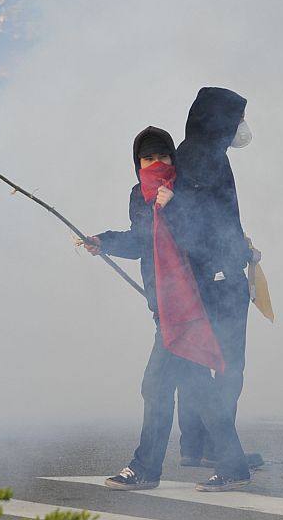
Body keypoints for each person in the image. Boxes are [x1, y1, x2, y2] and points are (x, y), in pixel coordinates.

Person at [84, 126, 250, 492]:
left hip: (190, 304)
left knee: (156, 385)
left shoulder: (188, 188)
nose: (156, 163)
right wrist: (103, 242)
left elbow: (204, 237)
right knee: (197, 386)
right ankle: (234, 463)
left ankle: (145, 468)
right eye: (148, 158)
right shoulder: (138, 195)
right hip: (165, 304)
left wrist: (172, 207)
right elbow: (143, 239)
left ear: (174, 159)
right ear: (137, 164)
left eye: (163, 157)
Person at [172, 87, 262, 469]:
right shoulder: (208, 157)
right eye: (238, 118)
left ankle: (194, 445)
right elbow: (206, 225)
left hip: (198, 277)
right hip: (219, 280)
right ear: (220, 120)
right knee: (228, 365)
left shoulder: (189, 152)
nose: (242, 126)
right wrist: (237, 255)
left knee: (197, 359)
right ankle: (219, 447)